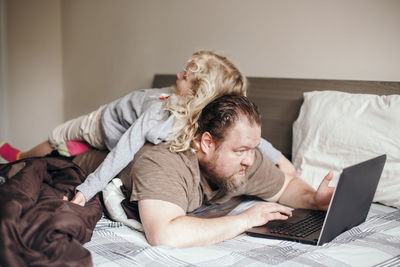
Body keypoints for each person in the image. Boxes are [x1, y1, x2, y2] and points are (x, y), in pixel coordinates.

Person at [0, 50, 295, 206]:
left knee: (63, 139)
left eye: (186, 75)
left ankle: (79, 148)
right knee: (58, 136)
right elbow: (124, 149)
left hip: (133, 119)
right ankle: (21, 155)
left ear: (201, 95)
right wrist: (85, 191)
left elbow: (244, 135)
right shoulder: (159, 112)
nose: (178, 73)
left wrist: (280, 160)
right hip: (104, 121)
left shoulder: (210, 119)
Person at [116, 94, 334, 247]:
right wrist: (245, 220)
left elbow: (286, 185)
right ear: (207, 143)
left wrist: (314, 199)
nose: (250, 160)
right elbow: (165, 235)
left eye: (253, 149)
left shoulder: (246, 159)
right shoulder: (165, 160)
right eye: (240, 150)